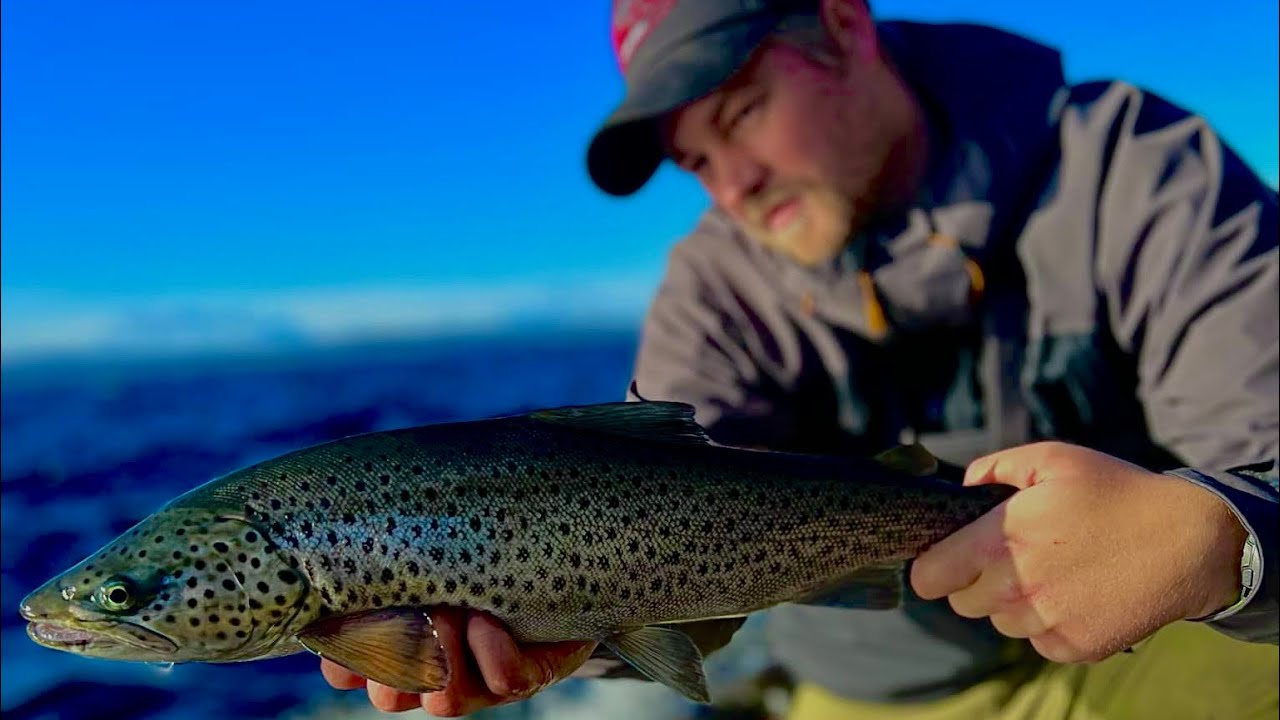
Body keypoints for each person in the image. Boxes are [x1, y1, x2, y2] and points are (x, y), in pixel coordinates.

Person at [321, 1, 1279, 717]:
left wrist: (1218, 544)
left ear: (844, 25)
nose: (730, 183)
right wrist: (554, 634)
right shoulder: (713, 291)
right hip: (879, 702)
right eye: (695, 161)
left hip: (1166, 648)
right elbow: (639, 521)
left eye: (739, 114)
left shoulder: (1139, 169)